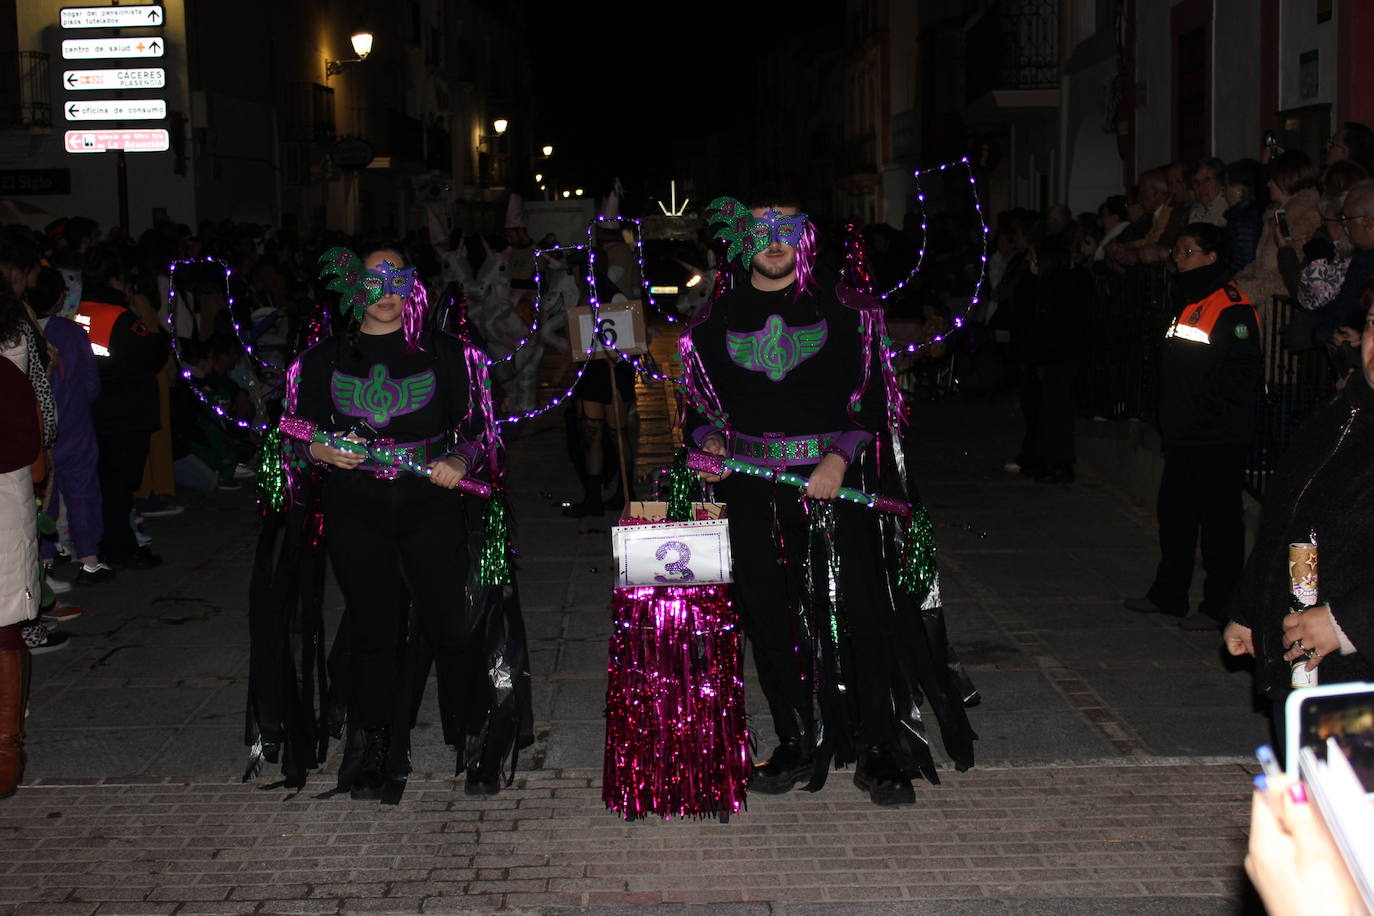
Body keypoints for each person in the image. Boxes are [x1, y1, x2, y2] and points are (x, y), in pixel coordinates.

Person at [680, 194, 978, 807]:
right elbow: (701, 407)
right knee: (768, 616)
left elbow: (872, 400)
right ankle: (794, 738)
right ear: (741, 240)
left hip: (833, 486)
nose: (774, 239)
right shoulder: (713, 321)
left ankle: (877, 749)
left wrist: (839, 459)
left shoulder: (847, 311)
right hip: (751, 487)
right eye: (761, 229)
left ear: (804, 237)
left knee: (858, 613)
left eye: (786, 228)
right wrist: (707, 442)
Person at [287, 244, 498, 800]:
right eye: (374, 280)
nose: (387, 292)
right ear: (352, 287)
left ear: (412, 284)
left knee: (453, 624)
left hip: (429, 503)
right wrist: (320, 453)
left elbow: (481, 425)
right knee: (374, 632)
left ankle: (473, 736)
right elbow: (294, 432)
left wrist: (461, 458)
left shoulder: (446, 352)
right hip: (357, 506)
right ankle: (376, 747)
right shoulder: (322, 358)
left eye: (397, 278)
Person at [1223, 282, 1374, 707]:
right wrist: (1252, 609)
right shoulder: (1345, 414)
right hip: (1307, 666)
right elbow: (1288, 516)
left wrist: (1348, 624)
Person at [1126, 223, 1263, 631]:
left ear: (1211, 257)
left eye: (1187, 251)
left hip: (1216, 436)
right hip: (1186, 434)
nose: (1178, 258)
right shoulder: (1191, 300)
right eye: (1178, 251)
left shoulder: (1232, 305)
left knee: (1220, 526)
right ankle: (1169, 594)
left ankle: (1220, 606)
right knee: (1176, 516)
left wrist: (1204, 420)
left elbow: (1239, 379)